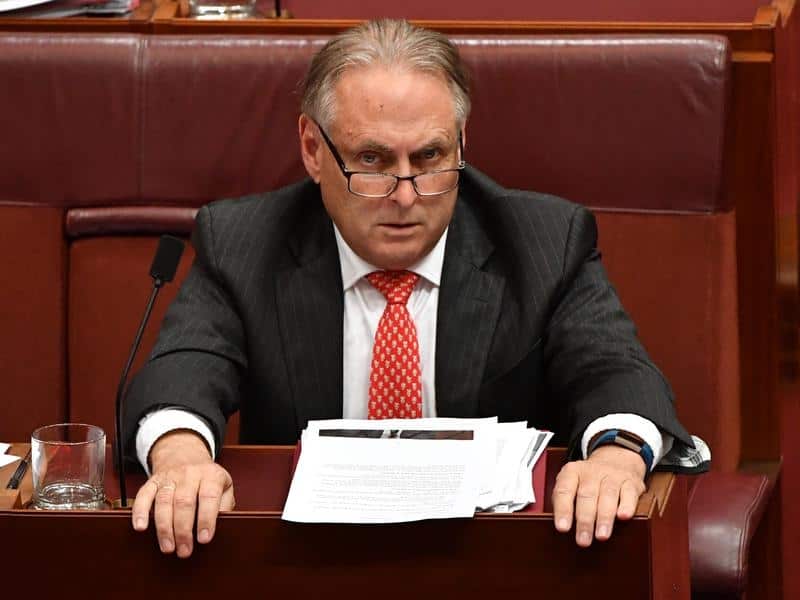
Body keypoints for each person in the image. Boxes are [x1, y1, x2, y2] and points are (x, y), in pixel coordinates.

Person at [124, 19, 693, 559]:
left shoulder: (542, 242)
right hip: (307, 566)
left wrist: (617, 458)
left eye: (430, 158)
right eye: (371, 160)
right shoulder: (245, 241)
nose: (405, 195)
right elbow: (184, 370)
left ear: (462, 144)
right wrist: (180, 458)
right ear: (313, 150)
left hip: (489, 566)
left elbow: (616, 373)